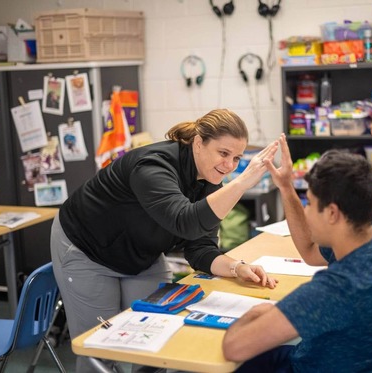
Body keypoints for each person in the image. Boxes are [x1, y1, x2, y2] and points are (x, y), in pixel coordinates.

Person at [51, 109, 279, 372]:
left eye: (237, 158)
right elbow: (184, 220)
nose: (229, 165)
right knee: (99, 348)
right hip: (87, 249)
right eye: (223, 153)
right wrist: (241, 183)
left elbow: (200, 249)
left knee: (161, 338)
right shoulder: (153, 165)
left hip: (141, 253)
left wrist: (237, 268)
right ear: (198, 143)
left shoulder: (211, 181)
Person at [222, 134, 372, 372]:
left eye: (309, 204)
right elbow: (310, 253)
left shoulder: (335, 290)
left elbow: (233, 347)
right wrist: (285, 185)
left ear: (332, 213)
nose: (307, 212)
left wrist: (254, 314)